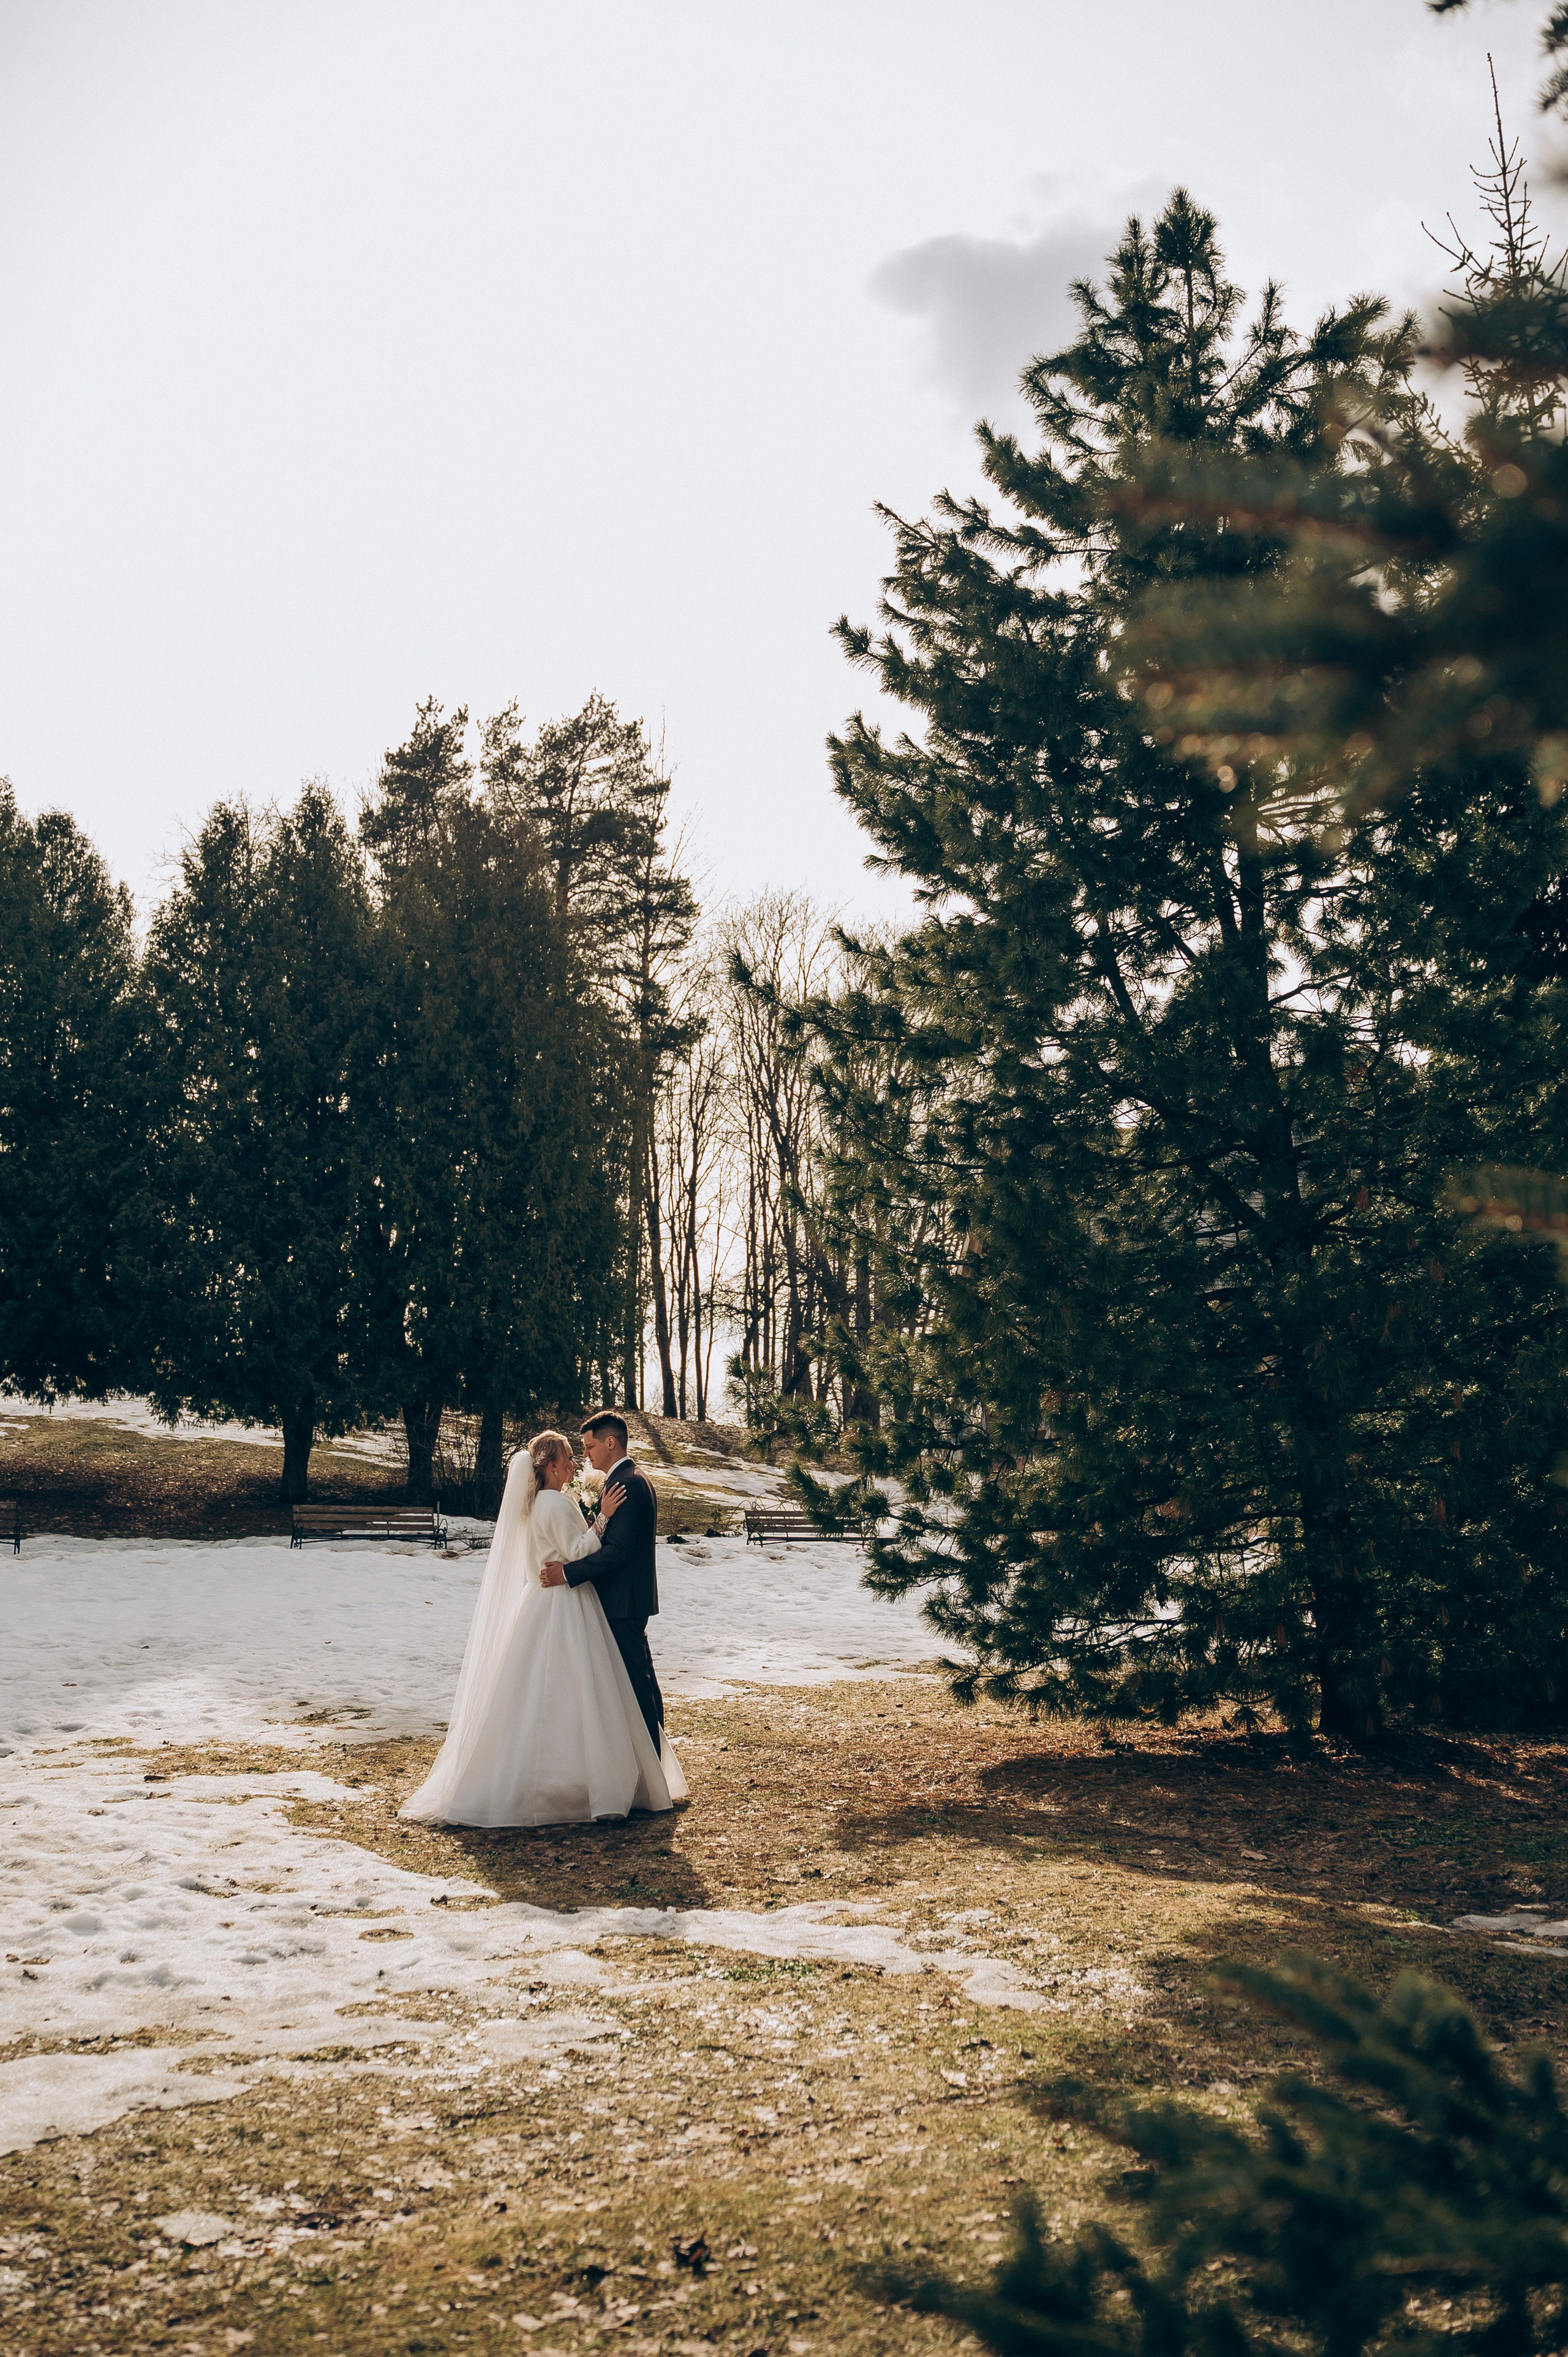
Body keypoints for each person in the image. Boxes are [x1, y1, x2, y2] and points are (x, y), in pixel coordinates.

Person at [400, 1427, 686, 1828]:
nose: (575, 1462)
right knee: (578, 1690)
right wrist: (602, 1517)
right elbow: (579, 1552)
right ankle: (580, 1783)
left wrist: (590, 1522)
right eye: (569, 1456)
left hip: (540, 1601)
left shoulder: (538, 1503)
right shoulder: (555, 1503)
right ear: (551, 1466)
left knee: (537, 1691)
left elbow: (564, 1550)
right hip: (564, 1604)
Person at [540, 1411, 663, 1748]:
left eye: (590, 1446)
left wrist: (567, 1574)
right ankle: (652, 1769)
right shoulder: (631, 1478)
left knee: (638, 1687)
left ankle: (654, 1771)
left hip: (623, 1600)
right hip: (628, 1597)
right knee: (641, 1682)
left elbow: (618, 1551)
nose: (586, 1454)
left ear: (611, 1442)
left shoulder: (625, 1482)